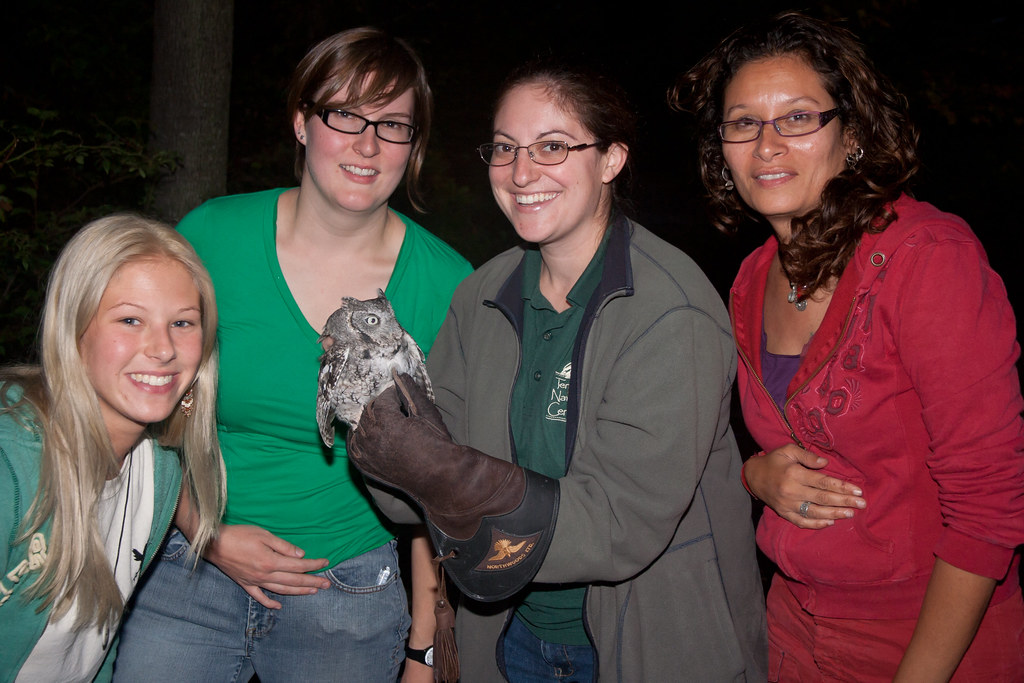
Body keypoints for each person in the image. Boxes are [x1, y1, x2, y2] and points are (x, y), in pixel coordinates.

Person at [348, 60, 767, 682]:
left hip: (640, 644)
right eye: (505, 149)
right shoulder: (482, 297)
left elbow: (618, 524)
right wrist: (377, 436)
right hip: (507, 635)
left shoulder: (669, 309)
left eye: (552, 147)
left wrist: (450, 477)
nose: (521, 173)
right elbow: (417, 493)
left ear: (611, 160)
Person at [673, 11, 1024, 682]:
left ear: (853, 136)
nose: (767, 145)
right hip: (792, 626)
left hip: (932, 639)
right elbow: (745, 447)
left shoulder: (928, 259)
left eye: (798, 118)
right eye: (744, 123)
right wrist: (755, 474)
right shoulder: (749, 280)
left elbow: (990, 507)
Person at [113, 28, 471, 683]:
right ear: (303, 122)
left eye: (394, 125)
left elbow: (440, 487)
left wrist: (423, 652)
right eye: (345, 115)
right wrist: (205, 531)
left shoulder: (447, 286)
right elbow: (140, 406)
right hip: (188, 566)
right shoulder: (211, 238)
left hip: (350, 592)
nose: (368, 144)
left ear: (413, 147)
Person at [0, 214, 224, 683]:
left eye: (182, 322)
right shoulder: (10, 464)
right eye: (130, 319)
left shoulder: (158, 470)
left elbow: (95, 640)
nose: (163, 349)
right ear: (74, 330)